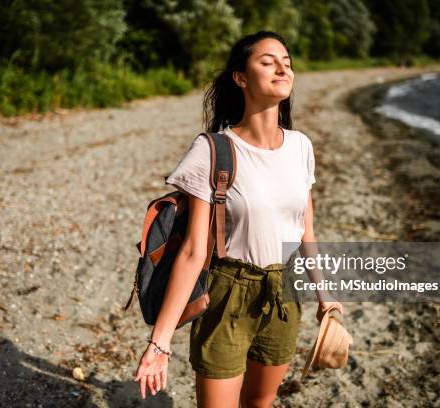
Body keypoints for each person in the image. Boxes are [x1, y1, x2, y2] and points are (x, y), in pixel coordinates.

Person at [133, 30, 343, 407]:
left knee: (260, 403)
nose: (282, 68)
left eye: (287, 63)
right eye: (268, 62)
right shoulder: (213, 150)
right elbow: (194, 252)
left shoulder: (301, 147)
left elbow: (305, 231)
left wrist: (325, 297)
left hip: (285, 293)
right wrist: (159, 342)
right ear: (241, 78)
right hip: (228, 293)